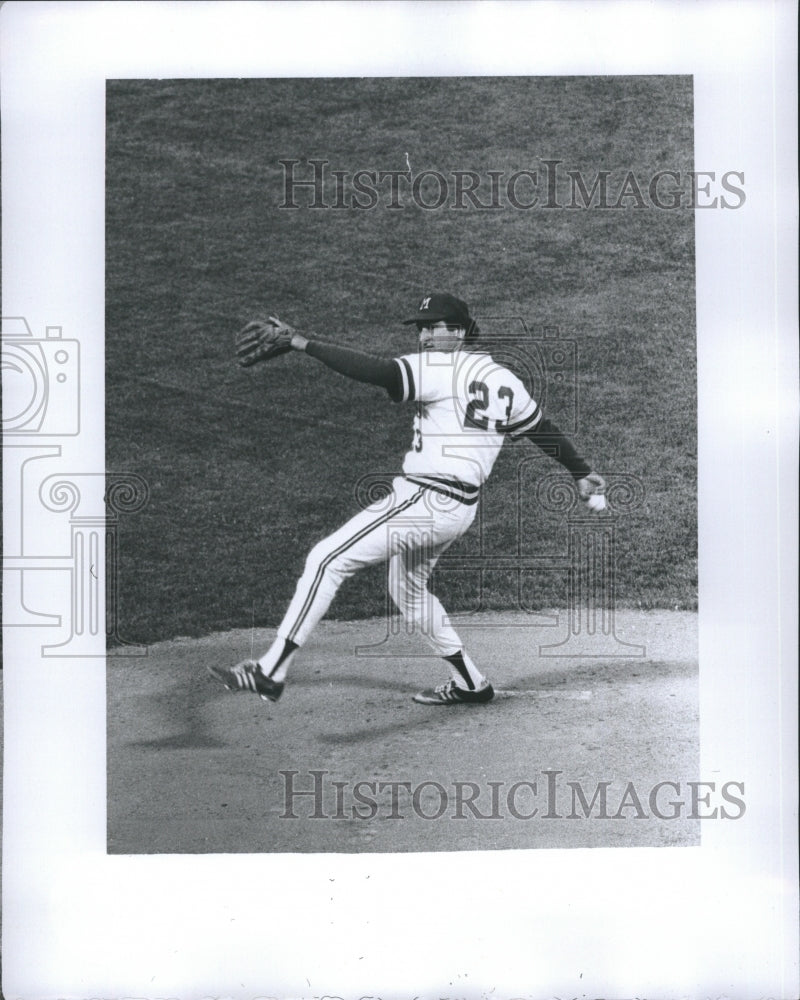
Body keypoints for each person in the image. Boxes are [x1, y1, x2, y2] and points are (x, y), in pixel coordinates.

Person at [210, 292, 606, 706]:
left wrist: (301, 343)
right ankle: (471, 682)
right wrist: (579, 472)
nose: (424, 336)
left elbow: (380, 372)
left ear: (457, 331)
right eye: (421, 328)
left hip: (424, 501)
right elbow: (542, 429)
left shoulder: (440, 365)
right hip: (458, 509)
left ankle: (270, 670)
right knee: (408, 590)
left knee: (326, 559)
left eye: (432, 328)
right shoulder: (503, 378)